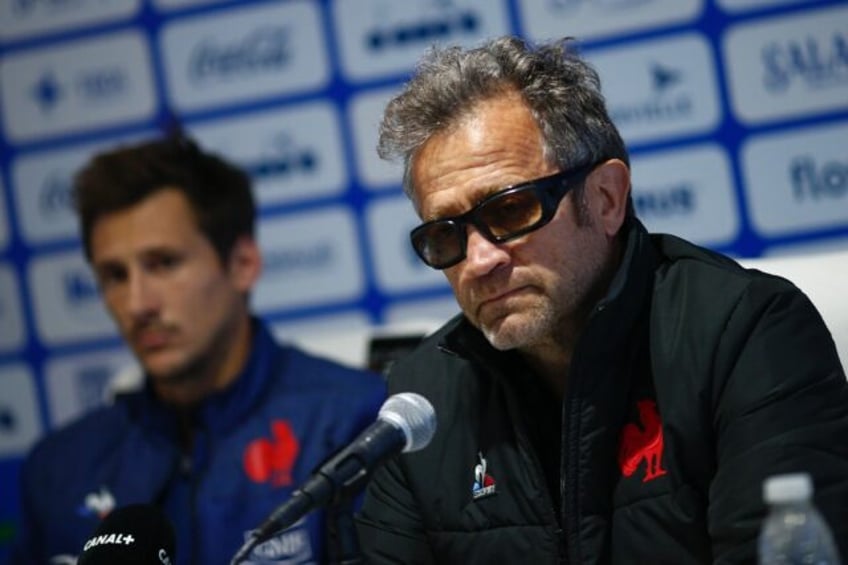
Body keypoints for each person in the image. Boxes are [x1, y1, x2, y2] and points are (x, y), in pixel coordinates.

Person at [354, 36, 848, 564]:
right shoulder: (422, 401)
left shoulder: (745, 332)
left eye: (511, 210)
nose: (478, 261)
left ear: (606, 199)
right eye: (447, 235)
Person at [10, 135, 387, 565]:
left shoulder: (354, 424)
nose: (137, 304)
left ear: (242, 264)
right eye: (114, 275)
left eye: (164, 264)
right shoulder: (61, 467)